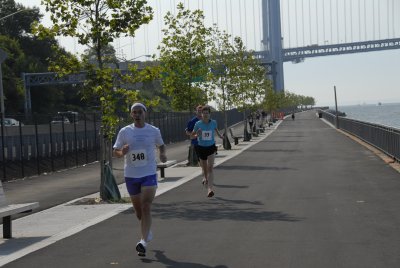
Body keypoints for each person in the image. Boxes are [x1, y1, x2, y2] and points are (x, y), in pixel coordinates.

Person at [113, 102, 167, 257]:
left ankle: (142, 242)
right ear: (131, 115)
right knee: (138, 212)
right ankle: (147, 231)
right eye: (134, 112)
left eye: (139, 112)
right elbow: (115, 151)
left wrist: (162, 154)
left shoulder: (153, 130)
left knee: (146, 206)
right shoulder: (125, 131)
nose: (137, 115)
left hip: (149, 172)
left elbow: (161, 145)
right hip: (131, 175)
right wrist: (121, 152)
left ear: (145, 113)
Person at [191, 105, 223, 198]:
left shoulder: (213, 122)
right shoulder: (198, 124)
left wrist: (220, 136)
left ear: (210, 114)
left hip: (211, 147)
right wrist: (197, 134)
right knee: (205, 169)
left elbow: (216, 130)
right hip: (201, 148)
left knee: (210, 168)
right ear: (201, 114)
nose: (205, 115)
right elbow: (192, 136)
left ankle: (210, 189)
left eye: (207, 113)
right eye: (203, 113)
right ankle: (205, 178)